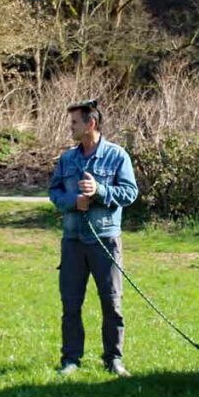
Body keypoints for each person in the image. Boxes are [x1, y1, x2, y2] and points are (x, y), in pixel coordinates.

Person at [48, 99, 138, 377]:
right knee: (70, 304)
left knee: (112, 302)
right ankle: (70, 360)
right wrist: (73, 201)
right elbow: (54, 193)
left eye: (75, 122)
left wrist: (99, 191)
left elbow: (130, 193)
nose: (70, 127)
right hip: (73, 242)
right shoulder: (66, 160)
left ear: (91, 123)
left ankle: (114, 359)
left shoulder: (117, 156)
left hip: (105, 241)